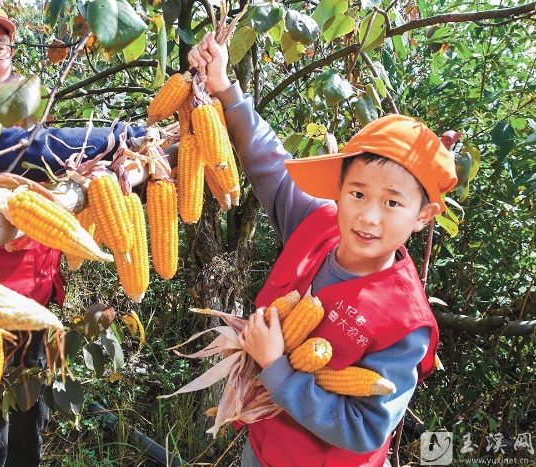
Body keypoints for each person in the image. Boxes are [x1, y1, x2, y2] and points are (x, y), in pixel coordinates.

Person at [188, 33, 457, 467]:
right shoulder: (319, 224)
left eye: (392, 203)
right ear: (338, 191)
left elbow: (365, 429)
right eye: (357, 194)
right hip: (261, 451)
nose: (368, 217)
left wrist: (276, 367)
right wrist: (224, 88)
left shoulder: (405, 324)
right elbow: (267, 163)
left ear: (423, 215)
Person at [0, 1, 147, 466]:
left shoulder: (13, 109)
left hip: (29, 308)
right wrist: (125, 133)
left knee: (25, 433)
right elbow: (26, 152)